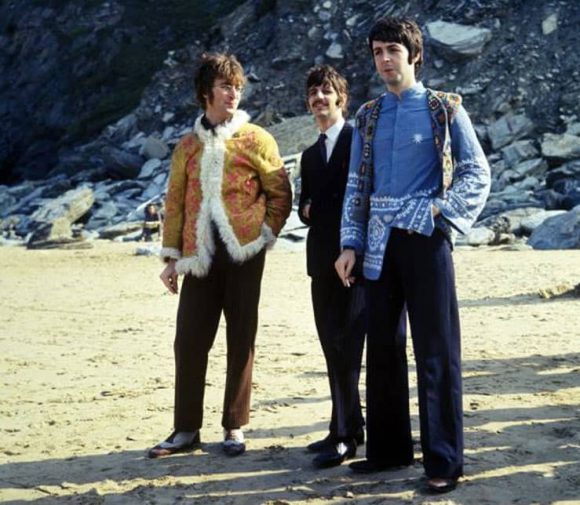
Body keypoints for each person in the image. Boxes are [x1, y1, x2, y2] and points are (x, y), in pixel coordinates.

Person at [335, 17, 490, 493]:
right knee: (381, 347)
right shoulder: (368, 115)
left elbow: (476, 171)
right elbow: (357, 184)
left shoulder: (446, 108)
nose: (384, 60)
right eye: (378, 51)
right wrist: (349, 243)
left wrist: (440, 211)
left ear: (414, 55)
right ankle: (387, 452)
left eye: (393, 51)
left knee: (436, 350)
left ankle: (443, 461)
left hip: (426, 239)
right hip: (377, 243)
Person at [147, 52, 292, 459]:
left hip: (245, 253)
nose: (234, 93)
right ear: (205, 92)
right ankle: (185, 429)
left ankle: (234, 426)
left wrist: (265, 233)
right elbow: (174, 202)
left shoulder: (258, 139)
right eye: (226, 86)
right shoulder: (187, 146)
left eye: (238, 86)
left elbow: (280, 191)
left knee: (241, 338)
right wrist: (171, 258)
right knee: (189, 340)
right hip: (199, 256)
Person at [298, 65, 366, 469]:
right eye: (313, 93)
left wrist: (317, 209)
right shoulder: (308, 155)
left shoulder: (359, 141)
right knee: (330, 347)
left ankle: (345, 437)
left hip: (352, 259)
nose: (319, 98)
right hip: (319, 261)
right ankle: (343, 425)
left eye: (326, 92)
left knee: (347, 347)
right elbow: (305, 206)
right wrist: (308, 209)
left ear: (342, 97)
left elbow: (357, 198)